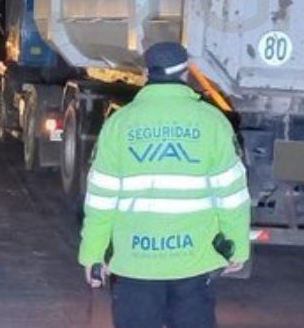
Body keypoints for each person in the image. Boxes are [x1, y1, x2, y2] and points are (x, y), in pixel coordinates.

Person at [78, 41, 251, 328]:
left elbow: (100, 198)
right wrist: (237, 247)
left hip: (135, 262)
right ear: (185, 73)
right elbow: (232, 195)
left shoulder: (120, 124)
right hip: (194, 261)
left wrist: (93, 254)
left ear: (148, 74)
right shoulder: (212, 122)